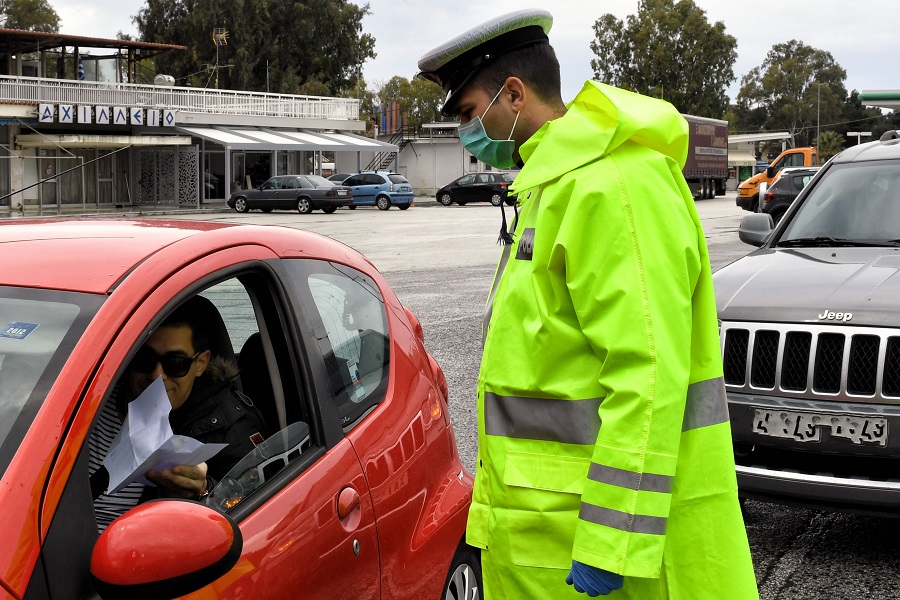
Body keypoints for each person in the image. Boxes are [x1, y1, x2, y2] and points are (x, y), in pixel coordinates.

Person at [417, 9, 758, 599]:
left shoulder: (612, 187)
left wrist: (611, 541)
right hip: (547, 546)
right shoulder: (558, 186)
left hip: (609, 562)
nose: (467, 136)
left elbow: (645, 374)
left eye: (471, 114)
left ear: (515, 94)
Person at [89, 296, 268, 530]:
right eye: (144, 358)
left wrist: (202, 491)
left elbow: (251, 514)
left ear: (201, 363)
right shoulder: (87, 400)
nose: (156, 376)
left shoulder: (231, 427)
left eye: (175, 363)